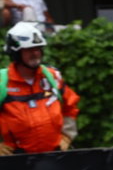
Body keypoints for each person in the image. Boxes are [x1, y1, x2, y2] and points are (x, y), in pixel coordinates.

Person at [1, 22, 79, 155]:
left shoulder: (52, 77)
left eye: (38, 48)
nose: (35, 53)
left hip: (54, 159)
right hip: (15, 164)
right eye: (29, 49)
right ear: (15, 53)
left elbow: (70, 107)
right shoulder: (2, 82)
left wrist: (67, 135)